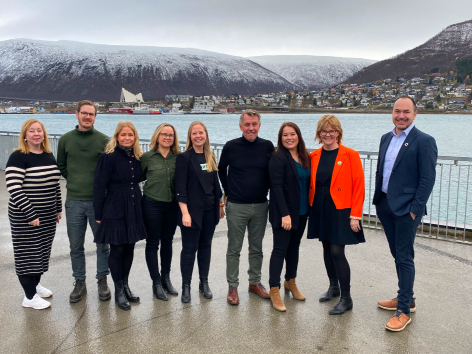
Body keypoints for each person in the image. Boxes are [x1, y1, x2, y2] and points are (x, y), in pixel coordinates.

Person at [373, 96, 437, 332]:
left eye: (406, 112)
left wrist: (415, 210)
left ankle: (403, 311)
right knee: (396, 253)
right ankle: (406, 298)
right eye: (397, 111)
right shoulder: (386, 138)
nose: (401, 115)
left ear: (415, 114)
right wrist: (378, 200)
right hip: (385, 205)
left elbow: (428, 179)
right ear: (392, 112)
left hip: (407, 210)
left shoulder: (424, 141)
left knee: (404, 256)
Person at [307, 114, 365, 315]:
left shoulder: (350, 155)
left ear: (338, 133)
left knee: (337, 252)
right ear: (319, 134)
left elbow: (359, 186)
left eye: (332, 131)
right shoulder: (313, 156)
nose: (328, 134)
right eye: (324, 131)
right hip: (320, 206)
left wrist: (355, 214)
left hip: (341, 208)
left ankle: (346, 298)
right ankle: (334, 287)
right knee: (326, 248)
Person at [218, 109, 274, 305]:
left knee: (256, 248)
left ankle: (255, 282)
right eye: (247, 125)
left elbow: (273, 172)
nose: (251, 128)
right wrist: (228, 192)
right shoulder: (231, 146)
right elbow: (220, 169)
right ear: (241, 126)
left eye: (254, 124)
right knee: (234, 248)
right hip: (237, 206)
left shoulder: (267, 146)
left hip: (260, 205)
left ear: (259, 125)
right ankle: (232, 286)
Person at [57, 100, 111, 303]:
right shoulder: (65, 140)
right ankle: (79, 281)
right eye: (84, 113)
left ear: (95, 117)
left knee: (102, 244)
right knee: (75, 246)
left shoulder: (104, 141)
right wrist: (75, 180)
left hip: (99, 203)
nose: (88, 117)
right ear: (76, 114)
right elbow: (61, 165)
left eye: (92, 114)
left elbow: (108, 169)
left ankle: (102, 279)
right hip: (73, 202)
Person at [5, 119, 62, 309]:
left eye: (39, 130)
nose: (36, 134)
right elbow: (14, 187)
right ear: (25, 135)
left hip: (46, 216)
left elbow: (55, 185)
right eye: (32, 131)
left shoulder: (47, 155)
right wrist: (30, 214)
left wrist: (58, 208)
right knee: (27, 255)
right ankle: (29, 297)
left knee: (41, 253)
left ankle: (35, 286)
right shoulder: (18, 157)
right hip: (26, 217)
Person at [94, 121, 147, 311]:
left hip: (134, 206)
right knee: (117, 249)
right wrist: (98, 212)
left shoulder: (137, 157)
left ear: (135, 137)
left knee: (130, 248)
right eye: (123, 135)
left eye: (130, 135)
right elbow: (99, 187)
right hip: (115, 206)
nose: (127, 138)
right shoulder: (107, 158)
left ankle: (125, 285)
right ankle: (118, 290)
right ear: (117, 137)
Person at [175, 121, 224, 303]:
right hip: (191, 212)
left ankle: (203, 282)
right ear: (190, 136)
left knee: (205, 247)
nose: (198, 136)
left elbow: (215, 184)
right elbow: (180, 188)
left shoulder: (210, 156)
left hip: (210, 210)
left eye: (201, 132)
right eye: (194, 133)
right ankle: (185, 285)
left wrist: (220, 206)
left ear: (206, 134)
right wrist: (185, 213)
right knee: (189, 249)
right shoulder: (184, 158)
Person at [267, 122, 311, 312]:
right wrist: (285, 214)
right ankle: (274, 289)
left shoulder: (305, 156)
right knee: (280, 250)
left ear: (298, 136)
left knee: (294, 248)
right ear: (280, 138)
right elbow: (275, 188)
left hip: (302, 212)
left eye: (292, 134)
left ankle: (290, 281)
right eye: (285, 135)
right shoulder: (278, 158)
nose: (289, 138)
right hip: (284, 213)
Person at [141, 123, 180, 301]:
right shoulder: (147, 157)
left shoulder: (178, 157)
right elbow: (138, 177)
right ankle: (155, 282)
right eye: (164, 134)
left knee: (168, 242)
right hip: (152, 205)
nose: (167, 137)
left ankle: (166, 278)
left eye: (170, 135)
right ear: (157, 136)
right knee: (152, 244)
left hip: (172, 206)